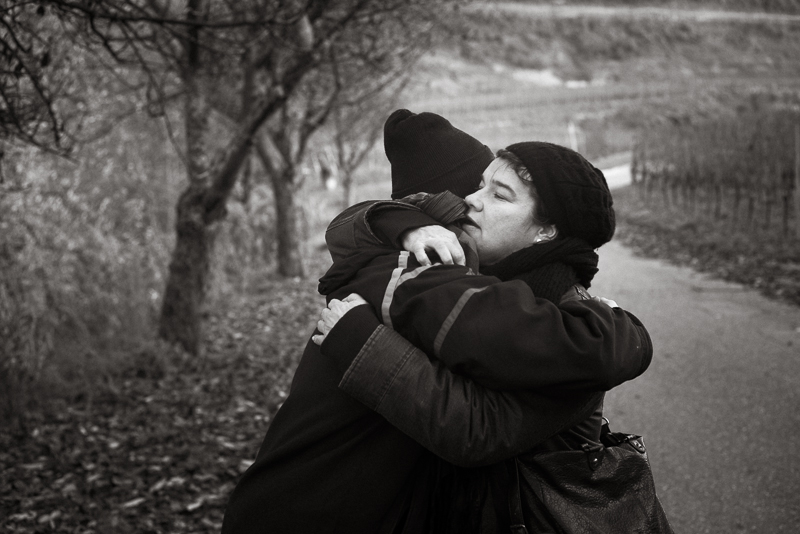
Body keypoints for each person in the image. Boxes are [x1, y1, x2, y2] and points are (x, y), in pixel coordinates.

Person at [220, 110, 652, 534]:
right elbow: (475, 425)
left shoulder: (507, 292)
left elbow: (478, 423)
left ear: (547, 229)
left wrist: (617, 333)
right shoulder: (421, 267)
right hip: (307, 514)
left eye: (497, 194)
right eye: (475, 187)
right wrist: (620, 335)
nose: (473, 202)